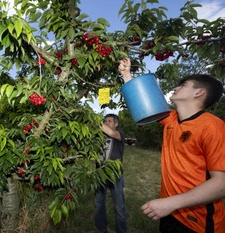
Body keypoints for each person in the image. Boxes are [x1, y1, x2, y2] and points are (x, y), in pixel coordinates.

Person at [118, 58, 225, 233]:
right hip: (170, 213)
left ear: (199, 92)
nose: (175, 88)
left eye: (183, 85)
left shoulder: (213, 127)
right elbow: (143, 99)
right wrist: (126, 75)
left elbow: (221, 184)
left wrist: (170, 203)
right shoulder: (172, 120)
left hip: (198, 222)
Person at [95, 113, 127, 233]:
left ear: (116, 124)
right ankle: (101, 228)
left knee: (119, 207)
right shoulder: (99, 136)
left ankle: (121, 231)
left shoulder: (120, 134)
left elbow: (112, 133)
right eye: (105, 121)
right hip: (99, 175)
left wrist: (96, 121)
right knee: (99, 204)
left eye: (109, 121)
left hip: (115, 176)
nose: (106, 123)